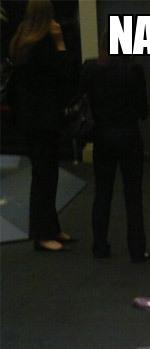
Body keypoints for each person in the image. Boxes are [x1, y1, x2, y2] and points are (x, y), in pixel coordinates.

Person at [10, 0, 75, 252]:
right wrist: (60, 42)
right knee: (45, 177)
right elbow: (65, 75)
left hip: (30, 120)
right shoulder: (43, 43)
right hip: (44, 120)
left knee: (44, 175)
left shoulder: (21, 41)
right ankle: (42, 234)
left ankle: (50, 228)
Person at [80, 35, 150, 262]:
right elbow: (143, 111)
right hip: (129, 137)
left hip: (102, 137)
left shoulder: (90, 69)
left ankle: (99, 246)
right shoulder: (134, 70)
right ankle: (137, 250)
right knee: (133, 196)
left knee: (102, 193)